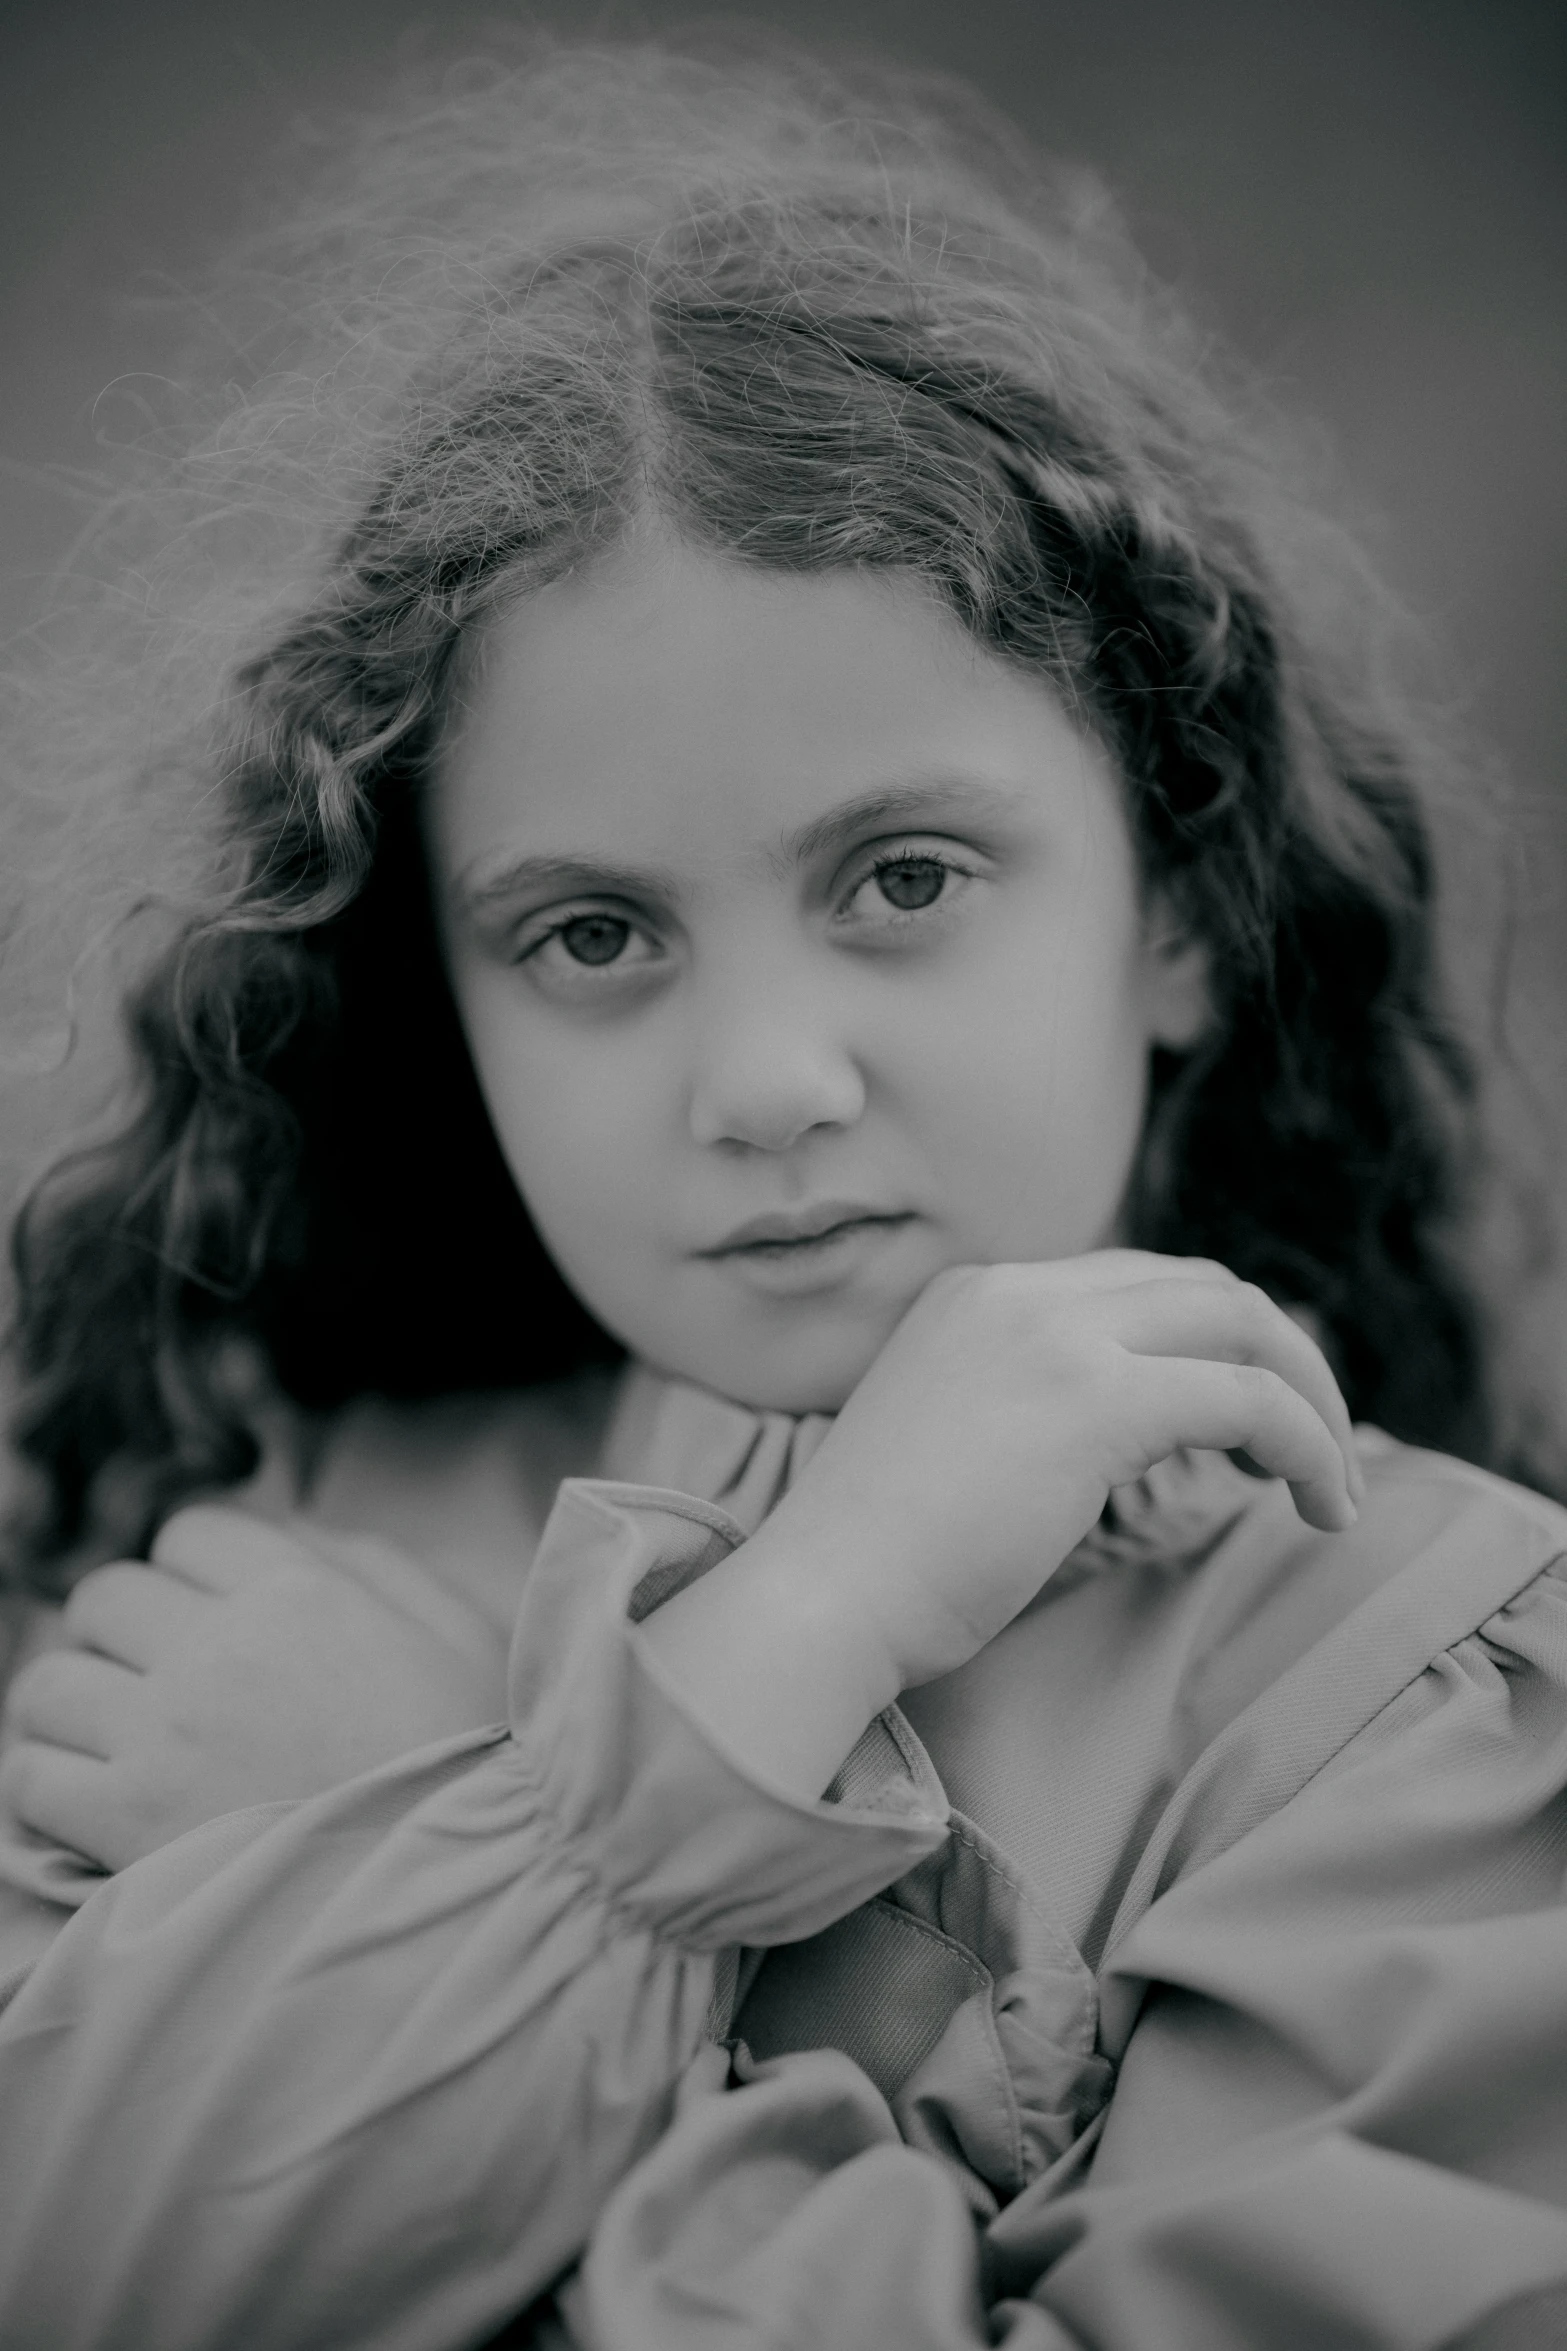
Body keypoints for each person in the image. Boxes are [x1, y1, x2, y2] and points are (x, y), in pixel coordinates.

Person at [0, 31, 1564, 2350]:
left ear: (1180, 912)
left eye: (904, 876)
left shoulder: (1409, 1692)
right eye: (593, 935)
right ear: (445, 993)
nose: (764, 1079)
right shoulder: (272, 1523)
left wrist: (512, 1830)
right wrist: (741, 1676)